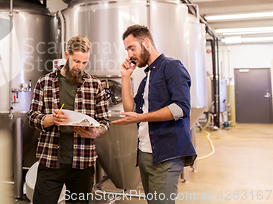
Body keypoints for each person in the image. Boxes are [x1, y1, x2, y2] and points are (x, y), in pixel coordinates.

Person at [112, 24, 196, 204]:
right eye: (127, 50)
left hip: (166, 156)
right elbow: (130, 110)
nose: (129, 55)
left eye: (132, 48)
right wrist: (125, 77)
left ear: (146, 43)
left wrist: (142, 117)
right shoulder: (147, 77)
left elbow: (181, 108)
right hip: (145, 155)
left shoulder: (172, 67)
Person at [28, 35, 110, 204]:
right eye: (76, 61)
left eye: (84, 62)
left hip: (83, 163)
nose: (79, 67)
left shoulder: (94, 86)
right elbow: (32, 117)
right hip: (50, 161)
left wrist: (96, 133)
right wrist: (50, 119)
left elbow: (105, 122)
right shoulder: (45, 83)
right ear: (66, 55)